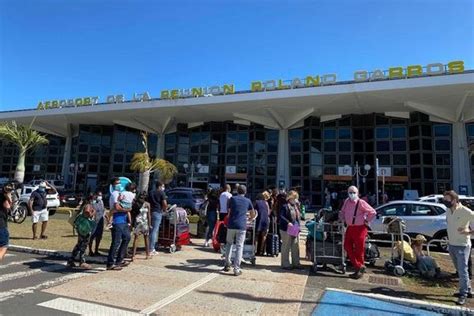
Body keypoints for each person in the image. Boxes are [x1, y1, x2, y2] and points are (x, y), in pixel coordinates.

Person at [443, 190, 474, 305]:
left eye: (447, 200)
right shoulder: (447, 210)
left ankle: (463, 294)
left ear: (455, 200)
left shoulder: (465, 211)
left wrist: (469, 231)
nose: (445, 202)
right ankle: (468, 290)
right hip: (451, 245)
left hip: (462, 245)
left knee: (462, 271)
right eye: (444, 200)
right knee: (460, 270)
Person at [339, 185, 376, 279]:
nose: (352, 194)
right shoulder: (346, 201)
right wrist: (342, 218)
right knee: (347, 246)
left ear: (357, 193)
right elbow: (342, 212)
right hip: (350, 228)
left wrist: (367, 220)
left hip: (360, 228)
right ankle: (359, 266)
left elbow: (372, 212)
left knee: (359, 250)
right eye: (350, 192)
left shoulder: (361, 202)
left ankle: (358, 270)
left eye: (354, 192)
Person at [223, 185, 256, 276]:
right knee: (239, 246)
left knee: (229, 243)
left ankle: (227, 263)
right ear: (245, 192)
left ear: (237, 191)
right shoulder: (248, 201)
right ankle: (236, 269)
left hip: (231, 224)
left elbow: (228, 212)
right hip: (241, 225)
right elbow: (252, 213)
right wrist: (249, 219)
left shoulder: (232, 199)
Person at [106, 177, 132, 270]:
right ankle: (110, 263)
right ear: (113, 185)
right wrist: (127, 209)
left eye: (120, 183)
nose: (119, 185)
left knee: (127, 238)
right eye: (117, 183)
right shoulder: (114, 194)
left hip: (123, 221)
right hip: (117, 221)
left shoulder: (121, 193)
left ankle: (119, 260)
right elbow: (117, 207)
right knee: (116, 242)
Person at [68, 195, 95, 269]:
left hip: (81, 227)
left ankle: (71, 259)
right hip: (85, 228)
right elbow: (87, 212)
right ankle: (82, 261)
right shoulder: (88, 206)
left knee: (79, 244)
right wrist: (93, 213)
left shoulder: (83, 205)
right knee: (84, 245)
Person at [279, 190, 302, 270]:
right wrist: (288, 222)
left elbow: (298, 217)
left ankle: (296, 263)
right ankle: (285, 264)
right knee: (286, 246)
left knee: (295, 246)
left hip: (294, 228)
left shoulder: (296, 206)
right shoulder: (285, 206)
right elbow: (281, 216)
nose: (296, 200)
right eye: (295, 198)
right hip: (286, 229)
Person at [148, 181, 167, 255]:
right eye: (163, 186)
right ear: (160, 186)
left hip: (151, 212)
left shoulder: (150, 192)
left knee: (151, 230)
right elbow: (164, 203)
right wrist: (164, 210)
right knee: (154, 231)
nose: (163, 188)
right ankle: (151, 249)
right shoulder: (161, 193)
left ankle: (149, 246)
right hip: (158, 212)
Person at [131, 192, 152, 260]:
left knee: (136, 238)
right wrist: (149, 224)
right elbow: (149, 215)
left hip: (138, 222)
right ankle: (147, 254)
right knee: (146, 238)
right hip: (144, 222)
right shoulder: (147, 204)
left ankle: (133, 255)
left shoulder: (136, 204)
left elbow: (133, 214)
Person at [88, 191, 105, 256]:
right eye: (99, 195)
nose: (100, 197)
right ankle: (90, 250)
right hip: (94, 221)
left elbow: (103, 210)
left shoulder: (101, 202)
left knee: (99, 236)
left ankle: (96, 250)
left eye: (101, 195)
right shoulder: (92, 202)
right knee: (92, 236)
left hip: (100, 221)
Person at [255, 192, 271, 256]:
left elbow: (254, 211)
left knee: (256, 235)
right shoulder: (266, 203)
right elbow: (268, 212)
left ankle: (255, 250)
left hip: (259, 220)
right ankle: (261, 251)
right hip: (266, 220)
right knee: (264, 236)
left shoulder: (257, 202)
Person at [0, 183, 13, 261]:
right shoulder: (2, 197)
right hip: (1, 226)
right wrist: (8, 195)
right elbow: (8, 206)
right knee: (3, 246)